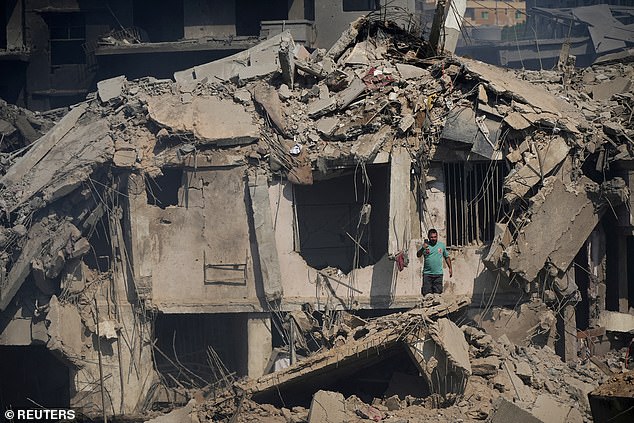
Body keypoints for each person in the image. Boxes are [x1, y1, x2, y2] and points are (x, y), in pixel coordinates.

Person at [416, 229, 452, 295]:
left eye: (435, 237)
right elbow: (418, 255)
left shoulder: (441, 245)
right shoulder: (425, 246)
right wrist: (423, 248)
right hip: (427, 274)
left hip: (438, 275)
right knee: (427, 295)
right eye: (432, 237)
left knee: (437, 295)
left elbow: (446, 257)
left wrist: (450, 268)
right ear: (429, 237)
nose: (433, 239)